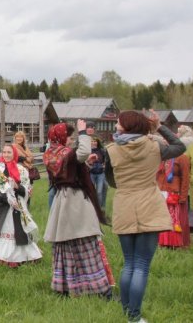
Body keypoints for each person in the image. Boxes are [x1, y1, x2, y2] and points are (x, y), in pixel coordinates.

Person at [106, 110, 186, 323]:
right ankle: (134, 317)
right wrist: (159, 126)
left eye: (119, 122)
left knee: (129, 264)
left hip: (124, 205)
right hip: (150, 205)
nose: (116, 125)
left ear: (127, 126)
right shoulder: (154, 146)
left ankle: (127, 313)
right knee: (141, 265)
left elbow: (111, 181)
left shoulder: (111, 150)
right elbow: (179, 146)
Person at [43, 120, 111, 298]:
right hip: (74, 201)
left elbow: (69, 171)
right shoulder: (65, 153)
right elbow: (83, 152)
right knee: (84, 239)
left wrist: (85, 164)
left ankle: (65, 286)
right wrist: (83, 133)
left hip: (62, 200)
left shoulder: (51, 153)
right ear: (61, 137)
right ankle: (98, 288)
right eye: (69, 136)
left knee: (66, 244)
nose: (71, 140)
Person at [156, 128, 191, 249]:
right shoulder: (161, 156)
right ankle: (162, 241)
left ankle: (174, 243)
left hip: (174, 192)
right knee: (161, 217)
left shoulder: (182, 157)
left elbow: (185, 178)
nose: (165, 141)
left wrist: (183, 196)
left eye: (168, 140)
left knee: (173, 218)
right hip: (161, 191)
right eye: (164, 140)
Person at [89, 135, 107, 214]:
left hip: (100, 173)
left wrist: (104, 165)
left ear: (97, 142)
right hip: (91, 173)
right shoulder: (88, 151)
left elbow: (106, 160)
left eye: (95, 141)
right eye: (92, 141)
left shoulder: (101, 151)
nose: (93, 143)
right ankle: (92, 207)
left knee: (99, 192)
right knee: (91, 191)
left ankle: (99, 209)